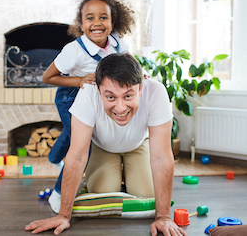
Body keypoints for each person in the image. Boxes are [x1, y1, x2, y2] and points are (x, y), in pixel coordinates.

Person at [26, 53, 188, 236]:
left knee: (146, 192)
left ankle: (128, 172)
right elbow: (77, 156)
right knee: (103, 190)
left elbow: (161, 158)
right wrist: (64, 215)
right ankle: (115, 173)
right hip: (103, 147)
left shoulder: (156, 91)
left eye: (128, 96)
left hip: (137, 145)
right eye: (111, 97)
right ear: (98, 89)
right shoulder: (87, 93)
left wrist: (163, 217)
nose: (120, 108)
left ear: (140, 88)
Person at [42, 0, 135, 212]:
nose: (97, 23)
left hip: (96, 97)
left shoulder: (117, 44)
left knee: (70, 133)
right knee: (81, 145)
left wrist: (140, 75)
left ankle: (54, 157)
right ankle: (58, 194)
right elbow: (48, 77)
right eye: (90, 18)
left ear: (113, 22)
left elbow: (131, 62)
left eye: (103, 17)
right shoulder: (73, 50)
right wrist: (79, 80)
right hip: (70, 97)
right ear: (81, 24)